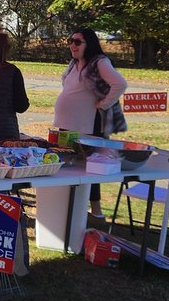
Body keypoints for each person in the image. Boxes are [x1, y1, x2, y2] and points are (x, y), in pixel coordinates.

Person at [53, 27, 127, 218]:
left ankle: (96, 211)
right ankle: (66, 206)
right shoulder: (73, 63)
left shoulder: (100, 62)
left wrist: (104, 103)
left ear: (89, 44)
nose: (72, 45)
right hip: (66, 124)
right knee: (67, 165)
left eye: (77, 42)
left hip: (89, 125)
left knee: (91, 167)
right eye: (70, 41)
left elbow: (120, 84)